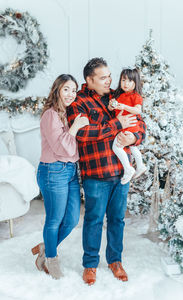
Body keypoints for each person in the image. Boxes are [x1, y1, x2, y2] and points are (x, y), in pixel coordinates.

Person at [67, 58, 146, 285]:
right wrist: (117, 125)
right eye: (103, 78)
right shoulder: (78, 102)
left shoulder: (117, 96)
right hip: (96, 173)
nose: (109, 80)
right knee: (93, 220)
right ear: (89, 80)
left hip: (121, 172)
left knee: (117, 220)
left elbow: (139, 122)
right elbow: (83, 133)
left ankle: (115, 260)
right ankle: (90, 264)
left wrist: (134, 136)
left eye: (109, 76)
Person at [31, 74, 89, 279]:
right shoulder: (50, 115)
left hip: (71, 170)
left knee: (72, 219)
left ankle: (45, 247)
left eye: (74, 90)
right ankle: (51, 261)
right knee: (54, 220)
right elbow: (60, 146)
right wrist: (75, 127)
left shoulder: (69, 113)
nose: (71, 94)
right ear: (57, 89)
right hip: (52, 171)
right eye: (66, 89)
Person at [108, 68, 147, 185]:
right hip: (123, 125)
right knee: (132, 147)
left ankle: (128, 168)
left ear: (135, 83)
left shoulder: (135, 96)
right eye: (123, 80)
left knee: (117, 147)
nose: (126, 83)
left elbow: (137, 110)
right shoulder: (120, 95)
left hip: (130, 124)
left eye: (130, 81)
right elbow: (112, 109)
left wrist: (123, 107)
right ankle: (140, 165)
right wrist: (111, 105)